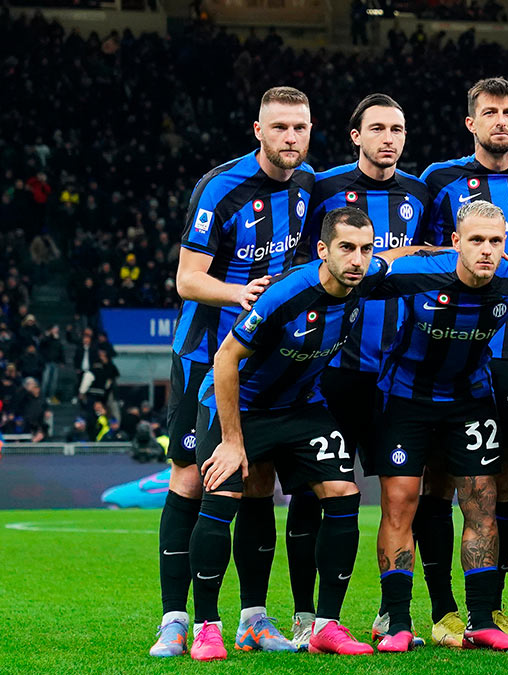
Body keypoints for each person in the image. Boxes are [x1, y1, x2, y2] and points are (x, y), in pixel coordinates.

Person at [150, 86, 315, 658]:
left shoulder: (306, 182)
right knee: (191, 479)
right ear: (258, 130)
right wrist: (239, 293)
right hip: (203, 355)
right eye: (280, 127)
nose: (290, 137)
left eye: (299, 127)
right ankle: (176, 620)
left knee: (256, 480)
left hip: (260, 360)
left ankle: (253, 619)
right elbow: (187, 280)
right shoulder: (220, 187)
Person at [187, 207, 381, 661]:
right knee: (225, 495)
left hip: (300, 407)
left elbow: (403, 255)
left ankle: (325, 626)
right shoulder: (286, 293)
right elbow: (225, 359)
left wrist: (454, 251)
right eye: (347, 248)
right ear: (323, 250)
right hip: (239, 404)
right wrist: (233, 442)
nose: (358, 259)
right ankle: (206, 627)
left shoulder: (366, 275)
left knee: (343, 492)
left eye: (366, 249)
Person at [365, 199, 508, 652]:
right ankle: (396, 621)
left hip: (470, 400)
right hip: (405, 398)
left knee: (482, 502)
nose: (486, 250)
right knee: (400, 503)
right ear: (455, 242)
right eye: (476, 240)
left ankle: (482, 620)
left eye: (495, 241)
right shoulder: (417, 273)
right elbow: (357, 273)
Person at [285, 92, 432, 650]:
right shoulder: (321, 188)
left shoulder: (419, 193)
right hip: (331, 373)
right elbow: (298, 263)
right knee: (313, 495)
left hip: (395, 375)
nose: (388, 138)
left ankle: (392, 616)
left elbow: (433, 256)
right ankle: (307, 616)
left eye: (397, 129)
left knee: (400, 498)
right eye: (377, 128)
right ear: (355, 136)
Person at [415, 77, 508, 646]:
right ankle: (442, 607)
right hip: (452, 353)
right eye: (490, 112)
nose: (500, 121)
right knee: (440, 481)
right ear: (471, 122)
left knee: (502, 484)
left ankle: (490, 607)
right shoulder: (439, 180)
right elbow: (420, 253)